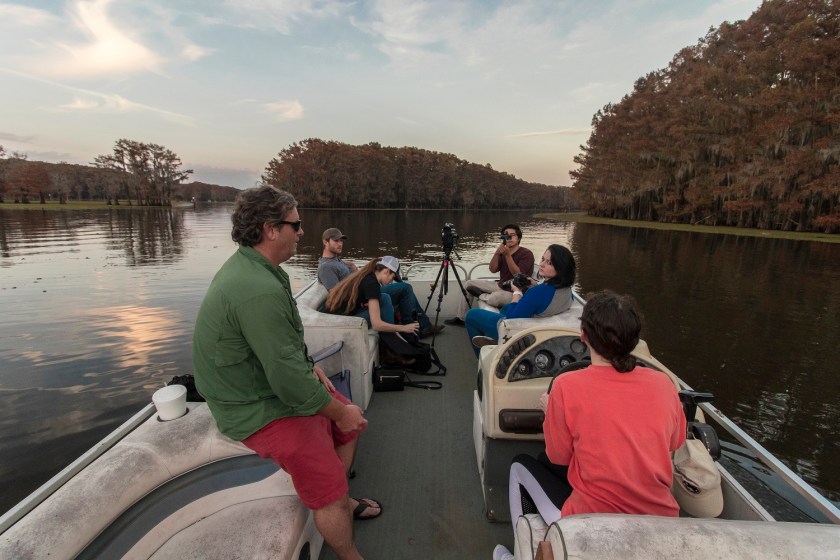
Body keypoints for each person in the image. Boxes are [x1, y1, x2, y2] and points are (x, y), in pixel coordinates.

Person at [192, 186, 379, 560]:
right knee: (344, 422)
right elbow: (286, 381)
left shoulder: (263, 269)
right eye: (296, 224)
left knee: (350, 423)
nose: (302, 232)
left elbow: (285, 350)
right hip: (252, 405)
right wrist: (335, 407)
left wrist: (312, 369)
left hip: (270, 384)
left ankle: (338, 493)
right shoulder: (256, 288)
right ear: (270, 229)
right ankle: (341, 525)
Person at [493, 291, 686, 560]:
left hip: (591, 517)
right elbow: (675, 442)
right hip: (660, 517)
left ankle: (521, 552)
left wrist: (552, 413)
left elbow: (558, 456)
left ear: (583, 335)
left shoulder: (566, 385)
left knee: (519, 466)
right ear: (634, 339)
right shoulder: (664, 383)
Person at [317, 228, 443, 338]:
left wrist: (352, 266)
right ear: (325, 242)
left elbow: (347, 276)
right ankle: (416, 328)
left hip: (360, 293)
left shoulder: (337, 261)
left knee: (404, 289)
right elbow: (336, 296)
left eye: (341, 240)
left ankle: (418, 326)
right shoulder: (326, 268)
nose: (340, 244)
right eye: (336, 241)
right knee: (404, 289)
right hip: (357, 300)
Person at [466, 244, 576, 355]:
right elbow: (546, 296)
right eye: (543, 259)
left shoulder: (538, 292)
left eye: (550, 263)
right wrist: (534, 284)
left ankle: (482, 354)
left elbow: (511, 320)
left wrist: (517, 292)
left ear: (561, 268)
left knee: (471, 315)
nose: (541, 264)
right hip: (539, 323)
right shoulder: (567, 290)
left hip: (517, 334)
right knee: (505, 307)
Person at [445, 224, 535, 327]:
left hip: (516, 292)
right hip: (500, 285)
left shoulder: (526, 254)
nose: (509, 238)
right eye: (506, 235)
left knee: (495, 298)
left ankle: (481, 295)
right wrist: (497, 253)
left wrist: (507, 255)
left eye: (512, 235)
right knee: (468, 284)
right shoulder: (503, 252)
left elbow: (518, 275)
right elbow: (492, 269)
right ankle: (461, 318)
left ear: (518, 238)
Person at [325, 256, 420, 336]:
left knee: (384, 298)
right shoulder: (372, 284)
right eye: (393, 277)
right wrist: (404, 328)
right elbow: (376, 325)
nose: (392, 281)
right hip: (340, 322)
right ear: (386, 271)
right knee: (383, 306)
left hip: (340, 315)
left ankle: (395, 340)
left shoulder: (368, 275)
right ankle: (392, 346)